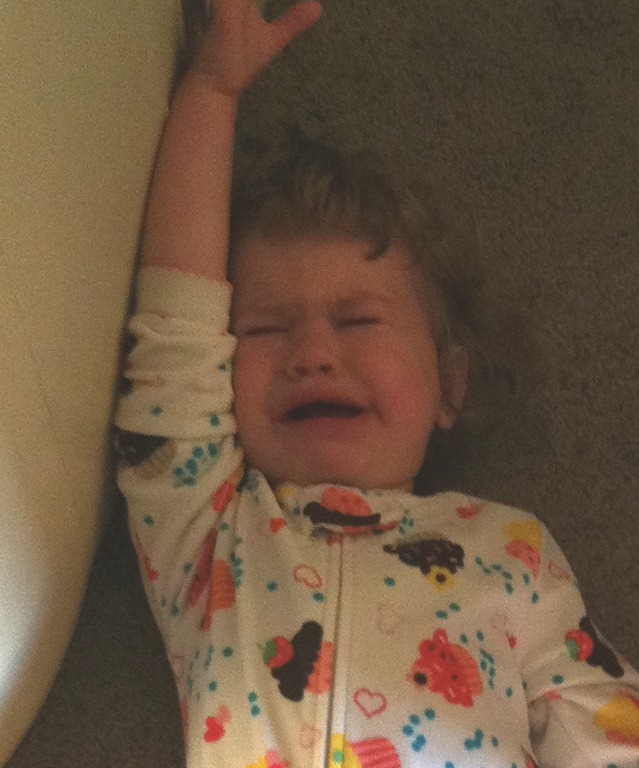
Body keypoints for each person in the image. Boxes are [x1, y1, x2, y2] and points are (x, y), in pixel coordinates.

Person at [114, 1, 639, 766]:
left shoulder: (508, 547)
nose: (313, 353)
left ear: (448, 386)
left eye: (358, 321)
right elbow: (174, 334)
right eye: (265, 328)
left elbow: (600, 721)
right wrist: (212, 94)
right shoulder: (208, 526)